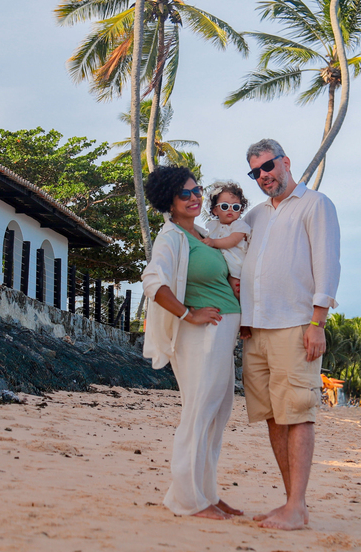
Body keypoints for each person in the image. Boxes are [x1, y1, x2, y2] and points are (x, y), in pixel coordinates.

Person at [238, 139, 341, 530]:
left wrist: (318, 323)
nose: (263, 176)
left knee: (297, 413)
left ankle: (296, 506)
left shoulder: (316, 204)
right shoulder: (254, 216)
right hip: (255, 329)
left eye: (268, 167)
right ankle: (290, 504)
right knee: (272, 417)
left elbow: (327, 263)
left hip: (296, 326)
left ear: (285, 162)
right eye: (255, 172)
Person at [139, 165, 244, 521]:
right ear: (169, 200)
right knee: (198, 413)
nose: (195, 197)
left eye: (197, 190)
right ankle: (186, 499)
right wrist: (188, 314)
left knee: (216, 415)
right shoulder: (171, 237)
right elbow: (153, 281)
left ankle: (206, 493)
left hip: (223, 334)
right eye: (186, 193)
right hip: (202, 335)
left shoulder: (199, 233)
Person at [200, 180, 252, 300]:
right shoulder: (213, 227)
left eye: (235, 207)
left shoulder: (239, 225)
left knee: (237, 293)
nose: (230, 210)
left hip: (237, 269)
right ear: (215, 210)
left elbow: (232, 240)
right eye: (224, 206)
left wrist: (213, 243)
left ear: (241, 210)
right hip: (221, 268)